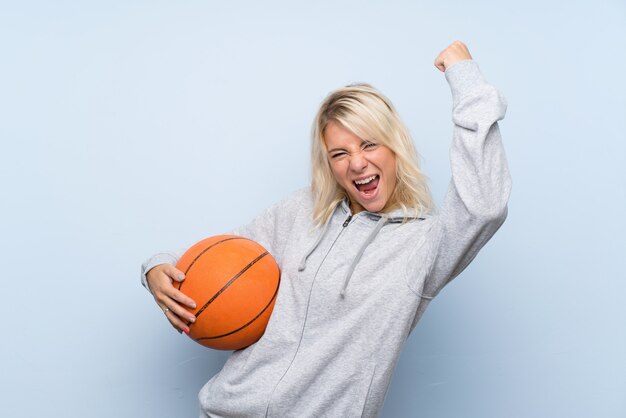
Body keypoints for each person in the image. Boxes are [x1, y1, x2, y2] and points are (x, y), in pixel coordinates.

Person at [141, 41, 511, 418]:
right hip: (226, 410)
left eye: (369, 145)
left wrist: (466, 80)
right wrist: (157, 269)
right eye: (339, 153)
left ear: (394, 147)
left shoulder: (425, 243)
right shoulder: (300, 211)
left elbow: (483, 207)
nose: (356, 163)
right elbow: (216, 260)